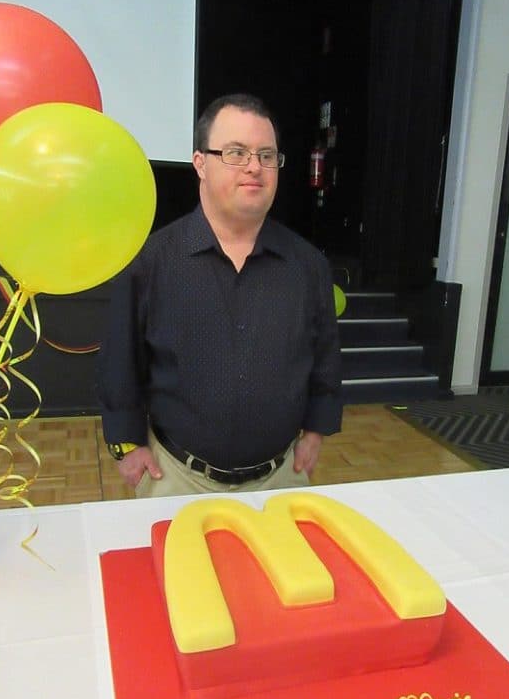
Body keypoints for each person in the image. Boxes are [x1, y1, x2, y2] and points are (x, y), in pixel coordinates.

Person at [97, 93, 342, 498]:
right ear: (200, 163)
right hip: (176, 478)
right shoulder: (151, 261)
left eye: (267, 155)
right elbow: (120, 363)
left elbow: (325, 358)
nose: (254, 166)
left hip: (281, 479)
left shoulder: (308, 265)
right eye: (236, 152)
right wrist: (126, 445)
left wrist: (316, 431)